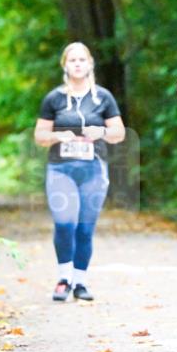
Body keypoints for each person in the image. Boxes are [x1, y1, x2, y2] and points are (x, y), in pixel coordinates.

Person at [34, 42, 126, 301]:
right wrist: (58, 136)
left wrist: (102, 132)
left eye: (81, 59)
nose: (77, 64)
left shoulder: (103, 97)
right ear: (65, 65)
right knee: (65, 223)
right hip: (61, 169)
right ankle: (63, 279)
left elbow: (118, 133)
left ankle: (81, 282)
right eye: (72, 60)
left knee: (85, 228)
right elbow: (40, 135)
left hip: (93, 169)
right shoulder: (54, 98)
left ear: (90, 64)